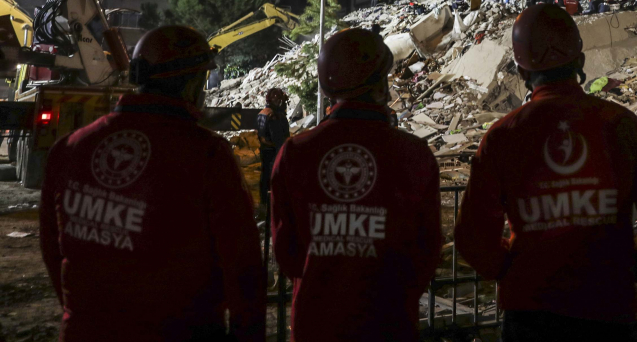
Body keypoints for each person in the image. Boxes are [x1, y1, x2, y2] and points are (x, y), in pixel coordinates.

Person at [455, 5, 637, 341]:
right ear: (580, 60)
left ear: (521, 69)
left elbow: (473, 238)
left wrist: (511, 270)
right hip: (609, 310)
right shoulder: (620, 125)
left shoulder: (502, 137)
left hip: (530, 317)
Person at [40, 26, 265, 341]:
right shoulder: (206, 155)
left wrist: (84, 314)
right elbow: (242, 264)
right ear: (193, 85)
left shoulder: (70, 148)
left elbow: (53, 248)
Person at [270, 28, 441, 341]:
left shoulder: (295, 153)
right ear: (381, 84)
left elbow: (287, 253)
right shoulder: (414, 155)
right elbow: (426, 253)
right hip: (389, 324)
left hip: (315, 325)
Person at [257, 87, 290, 207]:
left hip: (265, 150)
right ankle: (272, 203)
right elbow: (279, 138)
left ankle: (263, 201)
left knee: (265, 176)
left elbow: (261, 136)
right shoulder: (275, 116)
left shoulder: (263, 112)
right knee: (274, 177)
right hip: (275, 152)